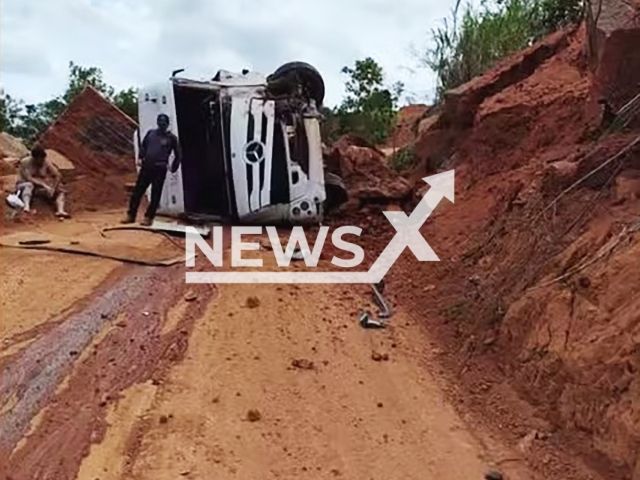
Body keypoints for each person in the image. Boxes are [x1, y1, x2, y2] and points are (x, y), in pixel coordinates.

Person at [123, 113, 181, 226]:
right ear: (157, 122)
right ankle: (130, 215)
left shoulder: (172, 138)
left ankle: (148, 218)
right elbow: (143, 146)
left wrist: (174, 167)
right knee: (137, 192)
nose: (162, 123)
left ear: (167, 124)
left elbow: (179, 154)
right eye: (160, 120)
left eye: (164, 121)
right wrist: (140, 157)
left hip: (160, 169)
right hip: (146, 167)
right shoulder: (151, 134)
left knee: (155, 194)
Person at [15, 145, 70, 218]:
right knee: (29, 185)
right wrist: (44, 185)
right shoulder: (25, 162)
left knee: (60, 189)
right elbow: (29, 178)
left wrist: (53, 187)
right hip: (24, 185)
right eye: (37, 159)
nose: (40, 161)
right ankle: (26, 207)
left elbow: (57, 175)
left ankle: (60, 210)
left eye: (41, 159)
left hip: (41, 186)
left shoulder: (46, 162)